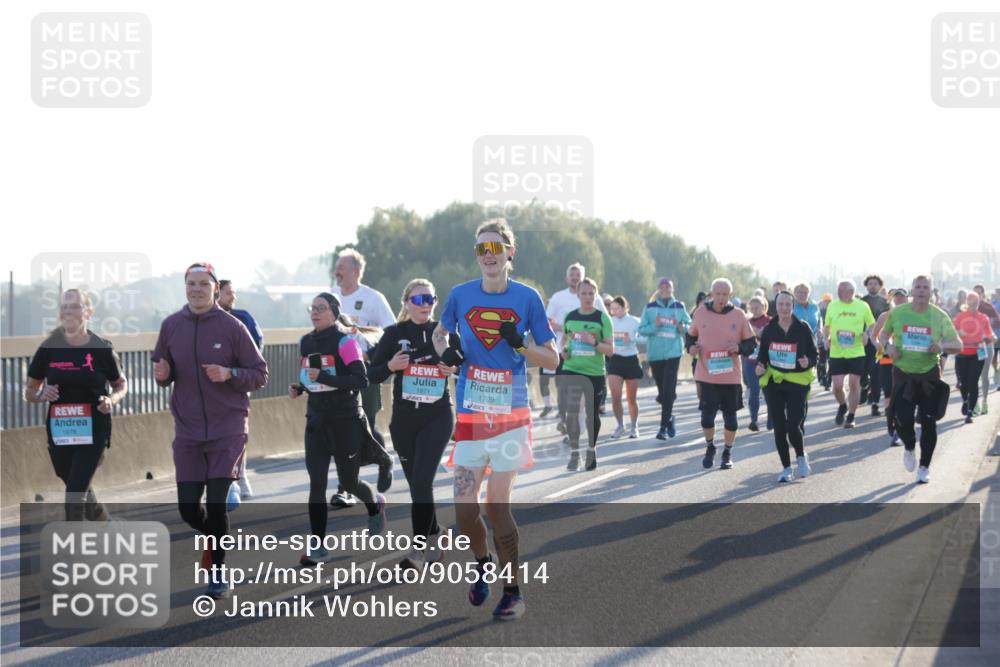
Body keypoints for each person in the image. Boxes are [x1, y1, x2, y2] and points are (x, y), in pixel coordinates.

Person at [433, 218, 559, 621]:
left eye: (495, 248)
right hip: (471, 416)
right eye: (481, 249)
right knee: (464, 511)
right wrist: (445, 352)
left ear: (509, 253)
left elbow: (553, 359)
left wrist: (520, 343)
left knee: (496, 505)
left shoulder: (527, 299)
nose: (488, 256)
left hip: (511, 416)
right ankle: (482, 561)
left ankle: (513, 591)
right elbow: (440, 333)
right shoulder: (460, 295)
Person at [152, 263, 268, 599]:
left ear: (216, 289)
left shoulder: (232, 327)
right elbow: (164, 372)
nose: (197, 289)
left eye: (204, 284)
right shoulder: (171, 326)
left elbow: (260, 374)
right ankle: (219, 538)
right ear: (185, 287)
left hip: (227, 428)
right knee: (189, 508)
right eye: (191, 284)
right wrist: (162, 374)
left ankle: (218, 570)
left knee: (216, 506)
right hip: (187, 430)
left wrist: (230, 373)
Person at [289, 292, 390, 566]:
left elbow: (360, 379)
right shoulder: (306, 342)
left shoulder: (345, 342)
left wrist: (323, 377)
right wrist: (301, 387)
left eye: (321, 308)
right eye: (313, 307)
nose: (315, 312)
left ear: (334, 311)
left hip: (345, 420)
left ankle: (374, 504)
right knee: (317, 484)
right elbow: (310, 376)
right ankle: (318, 547)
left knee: (348, 482)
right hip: (317, 421)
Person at [368, 279, 460, 569]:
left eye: (430, 299)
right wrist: (391, 367)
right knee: (418, 488)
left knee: (422, 482)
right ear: (406, 303)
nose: (426, 305)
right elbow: (372, 375)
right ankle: (434, 531)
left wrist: (453, 367)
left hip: (438, 416)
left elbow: (463, 362)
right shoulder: (394, 334)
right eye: (419, 300)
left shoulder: (443, 333)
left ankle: (417, 552)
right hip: (404, 421)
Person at [24, 288, 128, 522]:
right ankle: (107, 527)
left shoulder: (101, 348)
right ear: (60, 313)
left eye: (76, 307)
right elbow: (30, 391)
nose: (69, 311)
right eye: (65, 307)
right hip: (61, 430)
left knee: (74, 495)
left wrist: (110, 399)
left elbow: (121, 384)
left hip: (94, 429)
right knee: (72, 481)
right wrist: (42, 395)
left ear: (88, 312)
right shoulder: (49, 348)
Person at [880, 275, 961, 484]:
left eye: (926, 287)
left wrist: (941, 347)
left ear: (930, 291)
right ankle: (909, 446)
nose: (922, 290)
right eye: (918, 287)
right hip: (903, 373)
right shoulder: (898, 313)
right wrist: (889, 347)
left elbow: (957, 344)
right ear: (912, 290)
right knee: (902, 419)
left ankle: (924, 467)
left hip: (928, 374)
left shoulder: (939, 315)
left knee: (928, 422)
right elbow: (883, 335)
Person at [331, 248, 395, 508]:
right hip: (337, 376)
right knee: (342, 429)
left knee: (363, 425)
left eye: (341, 267)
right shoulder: (332, 298)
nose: (337, 271)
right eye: (336, 267)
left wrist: (372, 356)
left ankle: (383, 460)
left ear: (356, 271)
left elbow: (389, 333)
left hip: (365, 374)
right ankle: (345, 488)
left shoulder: (372, 298)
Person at [685, 279, 757, 470]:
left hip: (730, 376)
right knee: (707, 418)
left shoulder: (739, 315)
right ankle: (710, 447)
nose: (721, 298)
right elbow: (690, 336)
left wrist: (739, 347)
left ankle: (727, 451)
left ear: (730, 295)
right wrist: (691, 347)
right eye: (717, 294)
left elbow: (751, 344)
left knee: (731, 420)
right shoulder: (700, 313)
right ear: (711, 294)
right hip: (707, 375)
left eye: (725, 294)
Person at [755, 291, 817, 482]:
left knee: (793, 425)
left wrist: (809, 361)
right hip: (775, 382)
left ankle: (800, 456)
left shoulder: (802, 327)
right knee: (779, 427)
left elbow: (815, 355)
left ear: (793, 306)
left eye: (787, 305)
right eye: (780, 305)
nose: (784, 308)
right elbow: (762, 356)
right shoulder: (769, 329)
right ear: (776, 306)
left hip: (797, 382)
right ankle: (786, 468)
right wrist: (760, 366)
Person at [544, 264, 605, 434]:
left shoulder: (595, 297)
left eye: (578, 274)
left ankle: (578, 421)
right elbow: (547, 321)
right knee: (564, 389)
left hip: (589, 352)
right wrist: (567, 329)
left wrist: (595, 339)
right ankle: (567, 421)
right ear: (567, 278)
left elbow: (604, 320)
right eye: (572, 274)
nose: (575, 277)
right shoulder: (558, 297)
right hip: (565, 350)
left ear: (583, 278)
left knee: (583, 394)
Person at [561, 278, 614, 470]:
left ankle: (591, 449)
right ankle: (575, 454)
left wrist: (594, 343)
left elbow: (610, 350)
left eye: (591, 293)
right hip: (572, 370)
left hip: (594, 372)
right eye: (583, 293)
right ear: (578, 295)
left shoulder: (602, 318)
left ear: (596, 295)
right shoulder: (570, 316)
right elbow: (565, 341)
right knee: (572, 412)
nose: (587, 297)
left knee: (592, 415)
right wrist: (564, 351)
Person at [218, 279, 264, 499]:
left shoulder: (243, 317)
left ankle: (241, 476)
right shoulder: (199, 320)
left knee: (237, 434)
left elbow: (257, 345)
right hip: (211, 387)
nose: (232, 297)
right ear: (216, 293)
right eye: (228, 293)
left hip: (237, 382)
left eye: (234, 293)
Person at [638, 278, 691, 439]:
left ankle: (662, 427)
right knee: (663, 393)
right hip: (655, 354)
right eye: (662, 287)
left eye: (668, 287)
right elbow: (642, 330)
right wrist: (655, 325)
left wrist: (684, 328)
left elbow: (690, 325)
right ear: (658, 290)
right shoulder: (650, 307)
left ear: (672, 289)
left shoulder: (679, 306)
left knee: (668, 390)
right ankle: (669, 418)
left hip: (673, 353)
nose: (665, 289)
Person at [824, 280, 875, 429]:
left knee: (854, 384)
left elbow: (872, 325)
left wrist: (866, 334)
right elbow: (827, 326)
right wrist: (826, 338)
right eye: (838, 291)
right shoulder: (833, 305)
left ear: (851, 292)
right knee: (837, 386)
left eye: (841, 291)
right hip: (837, 351)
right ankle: (842, 405)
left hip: (856, 351)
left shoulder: (862, 306)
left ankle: (851, 416)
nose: (838, 294)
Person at [872, 288, 909, 445]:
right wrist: (882, 346)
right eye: (896, 298)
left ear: (907, 299)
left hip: (905, 361)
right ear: (890, 300)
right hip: (886, 360)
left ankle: (898, 426)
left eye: (902, 298)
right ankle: (893, 426)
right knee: (888, 394)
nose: (899, 300)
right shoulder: (884, 316)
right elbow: (874, 336)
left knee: (902, 395)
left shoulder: (912, 316)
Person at [953, 291, 995, 423]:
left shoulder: (983, 318)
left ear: (979, 303)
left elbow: (990, 335)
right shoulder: (960, 317)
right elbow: (951, 332)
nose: (973, 303)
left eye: (976, 301)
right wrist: (959, 332)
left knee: (973, 382)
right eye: (971, 301)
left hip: (978, 354)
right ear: (967, 302)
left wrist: (990, 338)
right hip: (962, 354)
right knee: (964, 383)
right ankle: (966, 400)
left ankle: (970, 412)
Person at [606, 295, 643, 439]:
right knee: (615, 397)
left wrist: (632, 339)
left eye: (617, 308)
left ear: (625, 308)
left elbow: (644, 337)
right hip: (615, 360)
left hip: (631, 360)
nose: (614, 311)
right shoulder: (609, 322)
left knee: (631, 398)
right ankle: (620, 426)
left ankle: (634, 427)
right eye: (612, 309)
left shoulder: (634, 321)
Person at [860, 275, 890, 410]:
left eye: (875, 284)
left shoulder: (885, 302)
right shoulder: (861, 302)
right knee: (862, 371)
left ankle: (875, 402)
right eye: (870, 283)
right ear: (866, 286)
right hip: (862, 341)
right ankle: (864, 386)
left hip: (878, 342)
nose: (873, 286)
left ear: (880, 286)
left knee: (875, 371)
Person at [743, 296, 772, 432]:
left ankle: (771, 419)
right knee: (754, 392)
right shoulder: (747, 322)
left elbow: (763, 334)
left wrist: (755, 331)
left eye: (757, 307)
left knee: (768, 392)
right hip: (751, 361)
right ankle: (753, 420)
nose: (754, 310)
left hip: (767, 362)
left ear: (764, 307)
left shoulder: (770, 321)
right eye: (752, 308)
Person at [972, 284, 1000, 414]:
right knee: (974, 375)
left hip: (986, 345)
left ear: (983, 295)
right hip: (973, 347)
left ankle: (984, 401)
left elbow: (997, 322)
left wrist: (988, 331)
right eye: (974, 293)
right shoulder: (968, 309)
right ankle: (975, 402)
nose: (977, 296)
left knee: (983, 375)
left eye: (979, 293)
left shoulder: (988, 307)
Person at [816, 293, 834, 390]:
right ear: (822, 302)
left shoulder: (834, 311)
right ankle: (822, 377)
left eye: (829, 301)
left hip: (831, 339)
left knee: (831, 361)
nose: (827, 303)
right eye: (825, 301)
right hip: (821, 339)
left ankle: (829, 381)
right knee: (821, 361)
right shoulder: (819, 311)